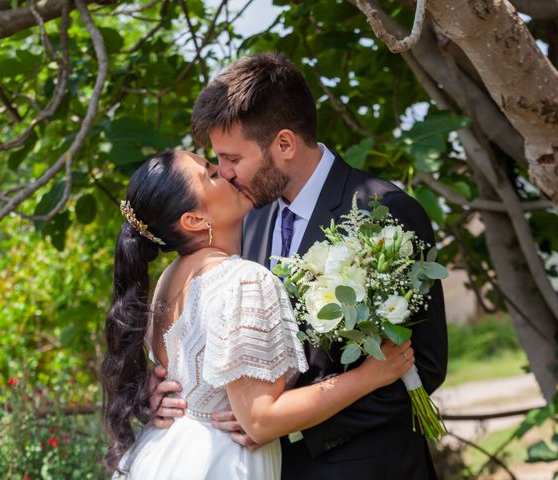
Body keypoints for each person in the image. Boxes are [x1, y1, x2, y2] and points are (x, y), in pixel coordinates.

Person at [150, 53, 448, 479]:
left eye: (233, 158)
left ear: (285, 144)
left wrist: (289, 426)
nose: (227, 173)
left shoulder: (384, 213)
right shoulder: (247, 218)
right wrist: (170, 392)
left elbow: (425, 365)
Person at [101, 149, 415, 479]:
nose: (226, 172)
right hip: (219, 464)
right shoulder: (244, 279)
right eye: (210, 174)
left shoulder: (171, 277)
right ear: (194, 220)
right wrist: (370, 376)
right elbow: (261, 421)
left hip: (171, 453)